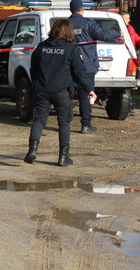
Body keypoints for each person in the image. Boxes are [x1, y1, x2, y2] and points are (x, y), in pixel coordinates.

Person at [25, 18, 96, 167]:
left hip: (41, 90)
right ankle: (63, 157)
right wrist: (89, 89)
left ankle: (32, 150)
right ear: (69, 31)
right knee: (64, 123)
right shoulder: (71, 49)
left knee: (39, 120)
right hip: (62, 91)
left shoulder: (41, 47)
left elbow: (33, 67)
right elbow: (80, 72)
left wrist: (36, 83)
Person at [68, 0, 121, 134]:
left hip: (67, 64)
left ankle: (65, 122)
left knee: (66, 94)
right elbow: (103, 34)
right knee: (86, 94)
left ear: (71, 9)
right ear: (82, 9)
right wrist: (117, 33)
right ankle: (86, 124)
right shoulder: (88, 24)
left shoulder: (65, 24)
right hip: (86, 64)